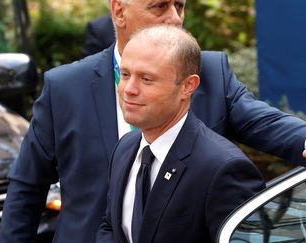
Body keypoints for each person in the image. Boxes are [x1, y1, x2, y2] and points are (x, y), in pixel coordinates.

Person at [0, 0, 306, 242]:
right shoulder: (65, 86)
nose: (175, 18)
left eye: (180, 5)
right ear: (119, 11)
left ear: (188, 86)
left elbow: (258, 118)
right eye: (160, 6)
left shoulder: (208, 71)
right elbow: (27, 186)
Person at [96, 24, 265, 243]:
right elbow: (111, 226)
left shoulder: (224, 168)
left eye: (146, 79)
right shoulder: (125, 148)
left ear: (188, 86)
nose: (129, 89)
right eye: (125, 74)